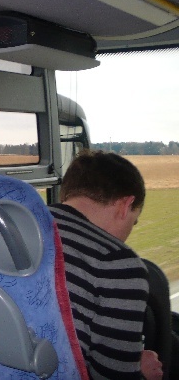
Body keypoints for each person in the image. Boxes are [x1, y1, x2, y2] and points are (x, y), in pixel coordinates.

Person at [50, 150, 162, 380]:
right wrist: (141, 372)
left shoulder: (21, 223)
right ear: (126, 204)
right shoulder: (119, 263)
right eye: (134, 221)